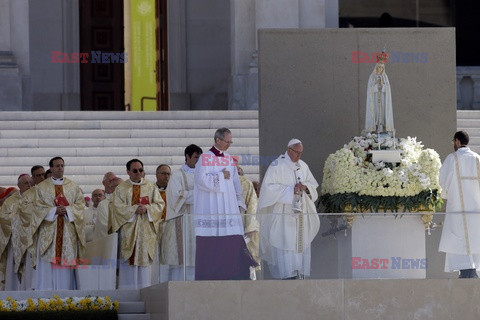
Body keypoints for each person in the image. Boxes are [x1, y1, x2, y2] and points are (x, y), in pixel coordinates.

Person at [193, 127, 256, 280]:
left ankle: (234, 274)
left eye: (230, 142)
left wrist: (239, 200)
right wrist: (221, 176)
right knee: (212, 244)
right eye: (227, 141)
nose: (229, 144)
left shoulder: (229, 159)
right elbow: (201, 180)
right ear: (217, 140)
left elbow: (235, 182)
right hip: (211, 207)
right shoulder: (205, 158)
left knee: (232, 240)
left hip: (228, 206)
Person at [257, 139, 320, 279]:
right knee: (285, 241)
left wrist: (306, 188)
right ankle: (287, 275)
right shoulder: (277, 165)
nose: (299, 155)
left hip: (301, 212)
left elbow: (312, 184)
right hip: (284, 212)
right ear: (289, 150)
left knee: (299, 242)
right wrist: (290, 190)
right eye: (296, 152)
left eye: (301, 152)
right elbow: (268, 188)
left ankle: (300, 274)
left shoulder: (303, 166)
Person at [32, 156, 86, 290]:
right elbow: (37, 208)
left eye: (62, 165)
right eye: (57, 166)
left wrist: (67, 210)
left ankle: (66, 291)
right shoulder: (41, 187)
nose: (60, 168)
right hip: (49, 231)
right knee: (47, 264)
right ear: (51, 168)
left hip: (67, 230)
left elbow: (80, 205)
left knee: (65, 264)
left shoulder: (73, 186)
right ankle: (45, 293)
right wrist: (54, 210)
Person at [110, 159, 165, 289]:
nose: (138, 173)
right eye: (135, 171)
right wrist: (134, 209)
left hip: (146, 231)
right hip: (128, 232)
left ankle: (146, 289)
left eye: (141, 170)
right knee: (129, 262)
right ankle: (127, 290)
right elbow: (116, 207)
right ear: (128, 172)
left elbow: (160, 204)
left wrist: (147, 209)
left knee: (145, 263)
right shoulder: (121, 188)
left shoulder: (151, 187)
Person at [438, 131, 480, 278]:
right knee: (474, 242)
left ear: (457, 141)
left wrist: (445, 195)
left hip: (458, 210)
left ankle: (467, 275)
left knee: (459, 241)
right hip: (475, 211)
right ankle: (472, 274)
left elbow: (442, 182)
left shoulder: (452, 158)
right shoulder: (477, 159)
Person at [161, 144, 202, 281]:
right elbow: (175, 198)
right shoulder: (177, 176)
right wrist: (200, 194)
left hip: (198, 223)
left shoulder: (203, 176)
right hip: (181, 223)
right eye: (196, 157)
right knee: (181, 261)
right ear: (187, 157)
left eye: (200, 158)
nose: (199, 160)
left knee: (197, 259)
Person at [0, 175, 32, 290]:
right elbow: (4, 218)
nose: (29, 185)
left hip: (30, 241)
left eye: (30, 182)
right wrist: (18, 219)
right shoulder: (10, 201)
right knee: (13, 268)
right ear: (19, 185)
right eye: (25, 183)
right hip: (15, 242)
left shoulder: (36, 199)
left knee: (29, 269)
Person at [236, 164, 260, 280]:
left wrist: (250, 228)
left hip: (242, 230)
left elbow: (252, 207)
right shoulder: (245, 183)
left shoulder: (245, 183)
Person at [365, 53, 394, 135]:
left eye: (381, 67)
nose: (380, 69)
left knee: (382, 114)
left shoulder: (385, 77)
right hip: (374, 100)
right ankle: (375, 129)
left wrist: (382, 86)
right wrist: (376, 86)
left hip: (383, 99)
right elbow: (370, 89)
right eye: (378, 67)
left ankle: (382, 128)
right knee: (376, 114)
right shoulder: (372, 77)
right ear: (376, 67)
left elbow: (388, 89)